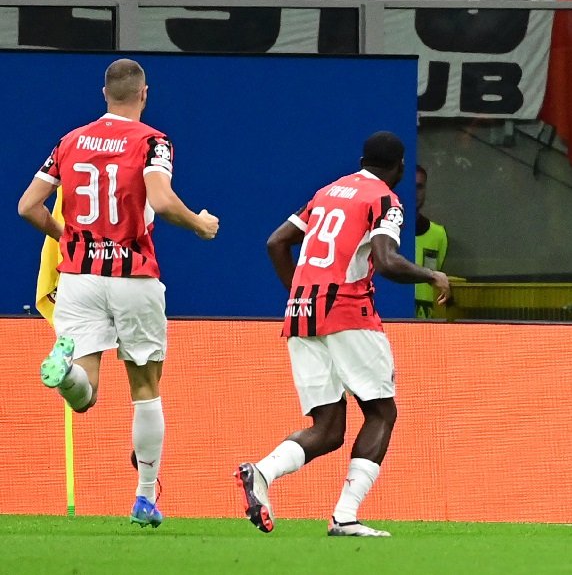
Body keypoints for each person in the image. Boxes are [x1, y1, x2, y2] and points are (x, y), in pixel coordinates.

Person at [16, 58, 220, 528]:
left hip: (78, 278)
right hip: (133, 276)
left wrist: (68, 237)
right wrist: (199, 224)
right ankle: (145, 498)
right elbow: (162, 201)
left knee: (85, 396)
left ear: (104, 93)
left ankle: (66, 373)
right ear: (144, 94)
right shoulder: (152, 142)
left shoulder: (70, 141)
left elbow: (28, 206)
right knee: (145, 389)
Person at [236, 132, 450, 538]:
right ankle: (345, 515)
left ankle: (261, 472)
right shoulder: (385, 200)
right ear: (400, 167)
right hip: (349, 311)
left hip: (302, 314)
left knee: (329, 429)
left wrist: (302, 293)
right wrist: (431, 274)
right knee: (381, 412)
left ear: (363, 160)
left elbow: (277, 242)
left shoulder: (327, 192)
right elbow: (386, 261)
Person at [414, 165, 448, 318]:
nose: (415, 192)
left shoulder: (438, 234)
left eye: (419, 187)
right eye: (411, 186)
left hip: (427, 318)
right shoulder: (385, 232)